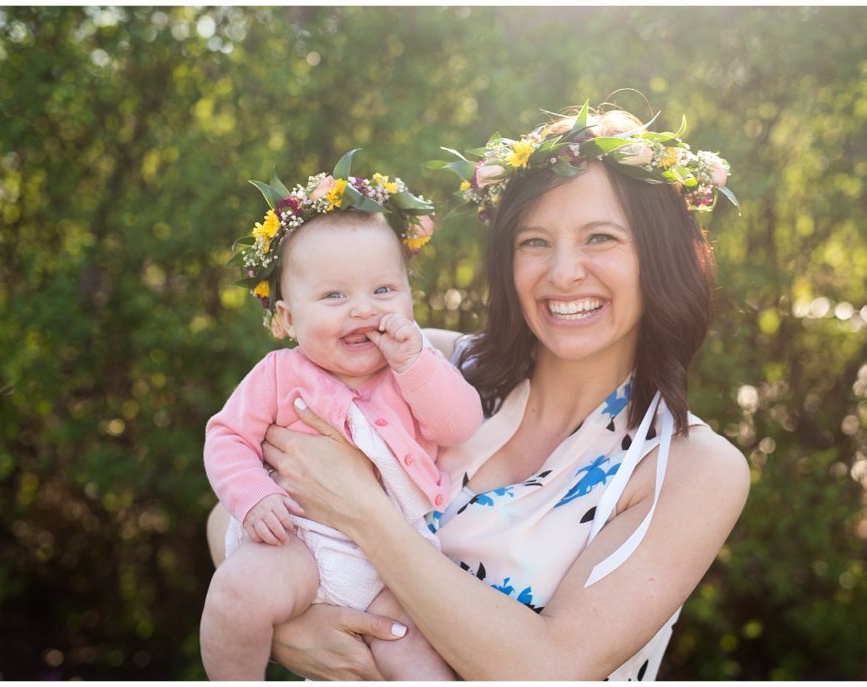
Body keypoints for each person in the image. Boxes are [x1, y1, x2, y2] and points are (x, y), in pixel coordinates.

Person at [206, 102, 750, 680]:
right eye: (534, 242)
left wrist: (365, 513)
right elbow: (230, 515)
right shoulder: (425, 365)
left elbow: (550, 669)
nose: (563, 272)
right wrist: (292, 629)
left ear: (659, 257)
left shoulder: (690, 468)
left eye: (600, 237)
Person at [200, 151, 483, 680]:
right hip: (296, 543)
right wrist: (253, 495)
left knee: (421, 663)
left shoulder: (415, 369)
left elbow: (460, 425)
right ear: (286, 318)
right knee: (237, 595)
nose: (362, 309)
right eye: (334, 295)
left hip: (393, 568)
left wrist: (415, 362)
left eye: (383, 290)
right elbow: (227, 437)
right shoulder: (279, 374)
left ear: (410, 297)